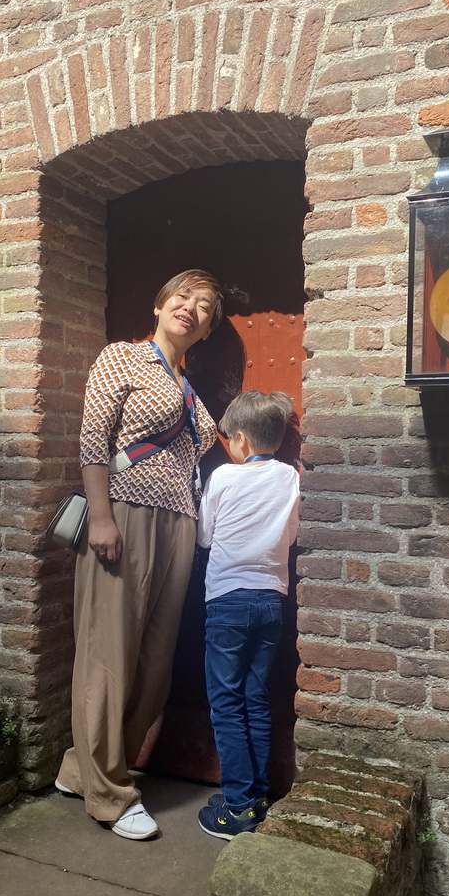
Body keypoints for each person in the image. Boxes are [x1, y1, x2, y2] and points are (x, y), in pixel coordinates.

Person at [55, 270, 222, 840]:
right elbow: (93, 440)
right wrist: (100, 517)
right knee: (109, 654)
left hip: (177, 524)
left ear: (206, 330)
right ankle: (108, 795)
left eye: (205, 307)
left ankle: (87, 769)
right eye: (183, 297)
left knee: (153, 664)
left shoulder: (188, 386)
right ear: (159, 304)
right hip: (123, 514)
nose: (191, 309)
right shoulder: (121, 359)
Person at [195, 390, 300, 840]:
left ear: (238, 439)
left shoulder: (223, 478)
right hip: (271, 602)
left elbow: (204, 537)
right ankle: (258, 797)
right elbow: (292, 535)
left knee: (226, 705)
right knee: (256, 699)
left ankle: (236, 808)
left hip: (227, 603)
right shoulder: (292, 478)